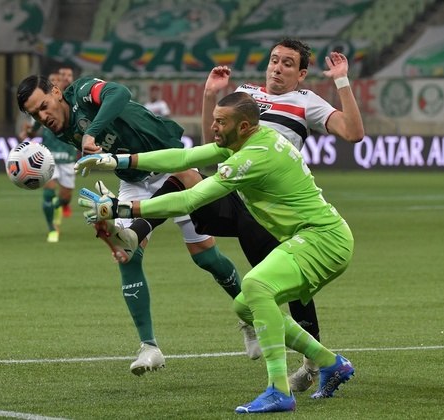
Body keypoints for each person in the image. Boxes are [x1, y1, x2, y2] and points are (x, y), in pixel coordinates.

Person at [76, 38, 364, 392]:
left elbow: (353, 132)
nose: (277, 67)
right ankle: (136, 230)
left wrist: (341, 81)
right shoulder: (244, 96)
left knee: (281, 292)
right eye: (273, 60)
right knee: (186, 183)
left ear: (302, 74)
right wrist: (210, 97)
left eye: (287, 63)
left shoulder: (306, 103)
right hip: (235, 193)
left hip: (268, 207)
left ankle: (311, 363)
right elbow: (208, 146)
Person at [16, 74, 242, 376]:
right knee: (127, 255)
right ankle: (149, 347)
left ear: (56, 92)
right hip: (133, 178)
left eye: (43, 106)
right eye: (34, 114)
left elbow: (119, 93)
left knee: (206, 256)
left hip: (168, 163)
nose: (43, 116)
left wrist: (91, 133)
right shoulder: (58, 132)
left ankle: (251, 318)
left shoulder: (83, 92)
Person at [18, 71, 79, 242]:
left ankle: (58, 206)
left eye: (56, 80)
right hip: (48, 157)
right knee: (48, 193)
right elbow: (32, 130)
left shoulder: (68, 105)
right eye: (51, 79)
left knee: (65, 198)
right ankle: (52, 229)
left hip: (67, 157)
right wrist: (27, 133)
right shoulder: (42, 111)